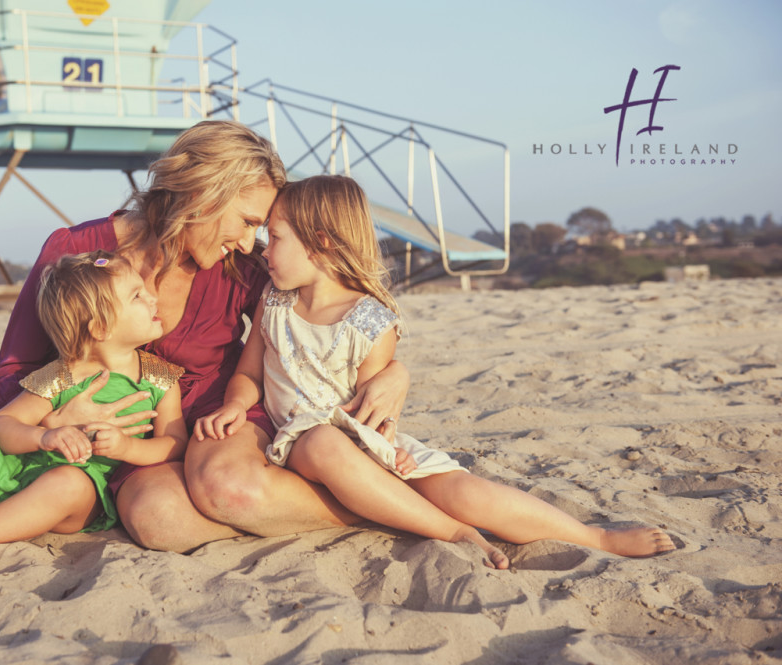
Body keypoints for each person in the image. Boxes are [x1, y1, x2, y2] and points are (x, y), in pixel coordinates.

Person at [195, 175, 677, 569]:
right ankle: (454, 532)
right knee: (320, 441)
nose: (262, 249)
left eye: (274, 237)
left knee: (465, 490)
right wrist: (237, 404)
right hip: (302, 441)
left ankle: (595, 537)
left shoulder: (370, 320)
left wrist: (385, 448)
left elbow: (376, 405)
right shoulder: (274, 301)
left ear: (319, 245)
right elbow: (249, 372)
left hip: (362, 441)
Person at [0, 120, 411, 553]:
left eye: (258, 229)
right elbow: (12, 371)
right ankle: (360, 503)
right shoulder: (78, 253)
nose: (247, 243)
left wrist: (396, 372)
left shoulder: (245, 269)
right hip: (129, 446)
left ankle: (380, 502)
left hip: (219, 418)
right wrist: (53, 420)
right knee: (158, 520)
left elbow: (333, 309)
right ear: (205, 193)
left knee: (230, 488)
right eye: (245, 222)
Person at [0, 251, 188, 595]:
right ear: (101, 327)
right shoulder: (62, 374)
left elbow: (175, 442)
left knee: (68, 482)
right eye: (137, 295)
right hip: (18, 473)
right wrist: (45, 437)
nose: (152, 297)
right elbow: (2, 425)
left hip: (78, 494)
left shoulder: (159, 378)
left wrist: (128, 447)